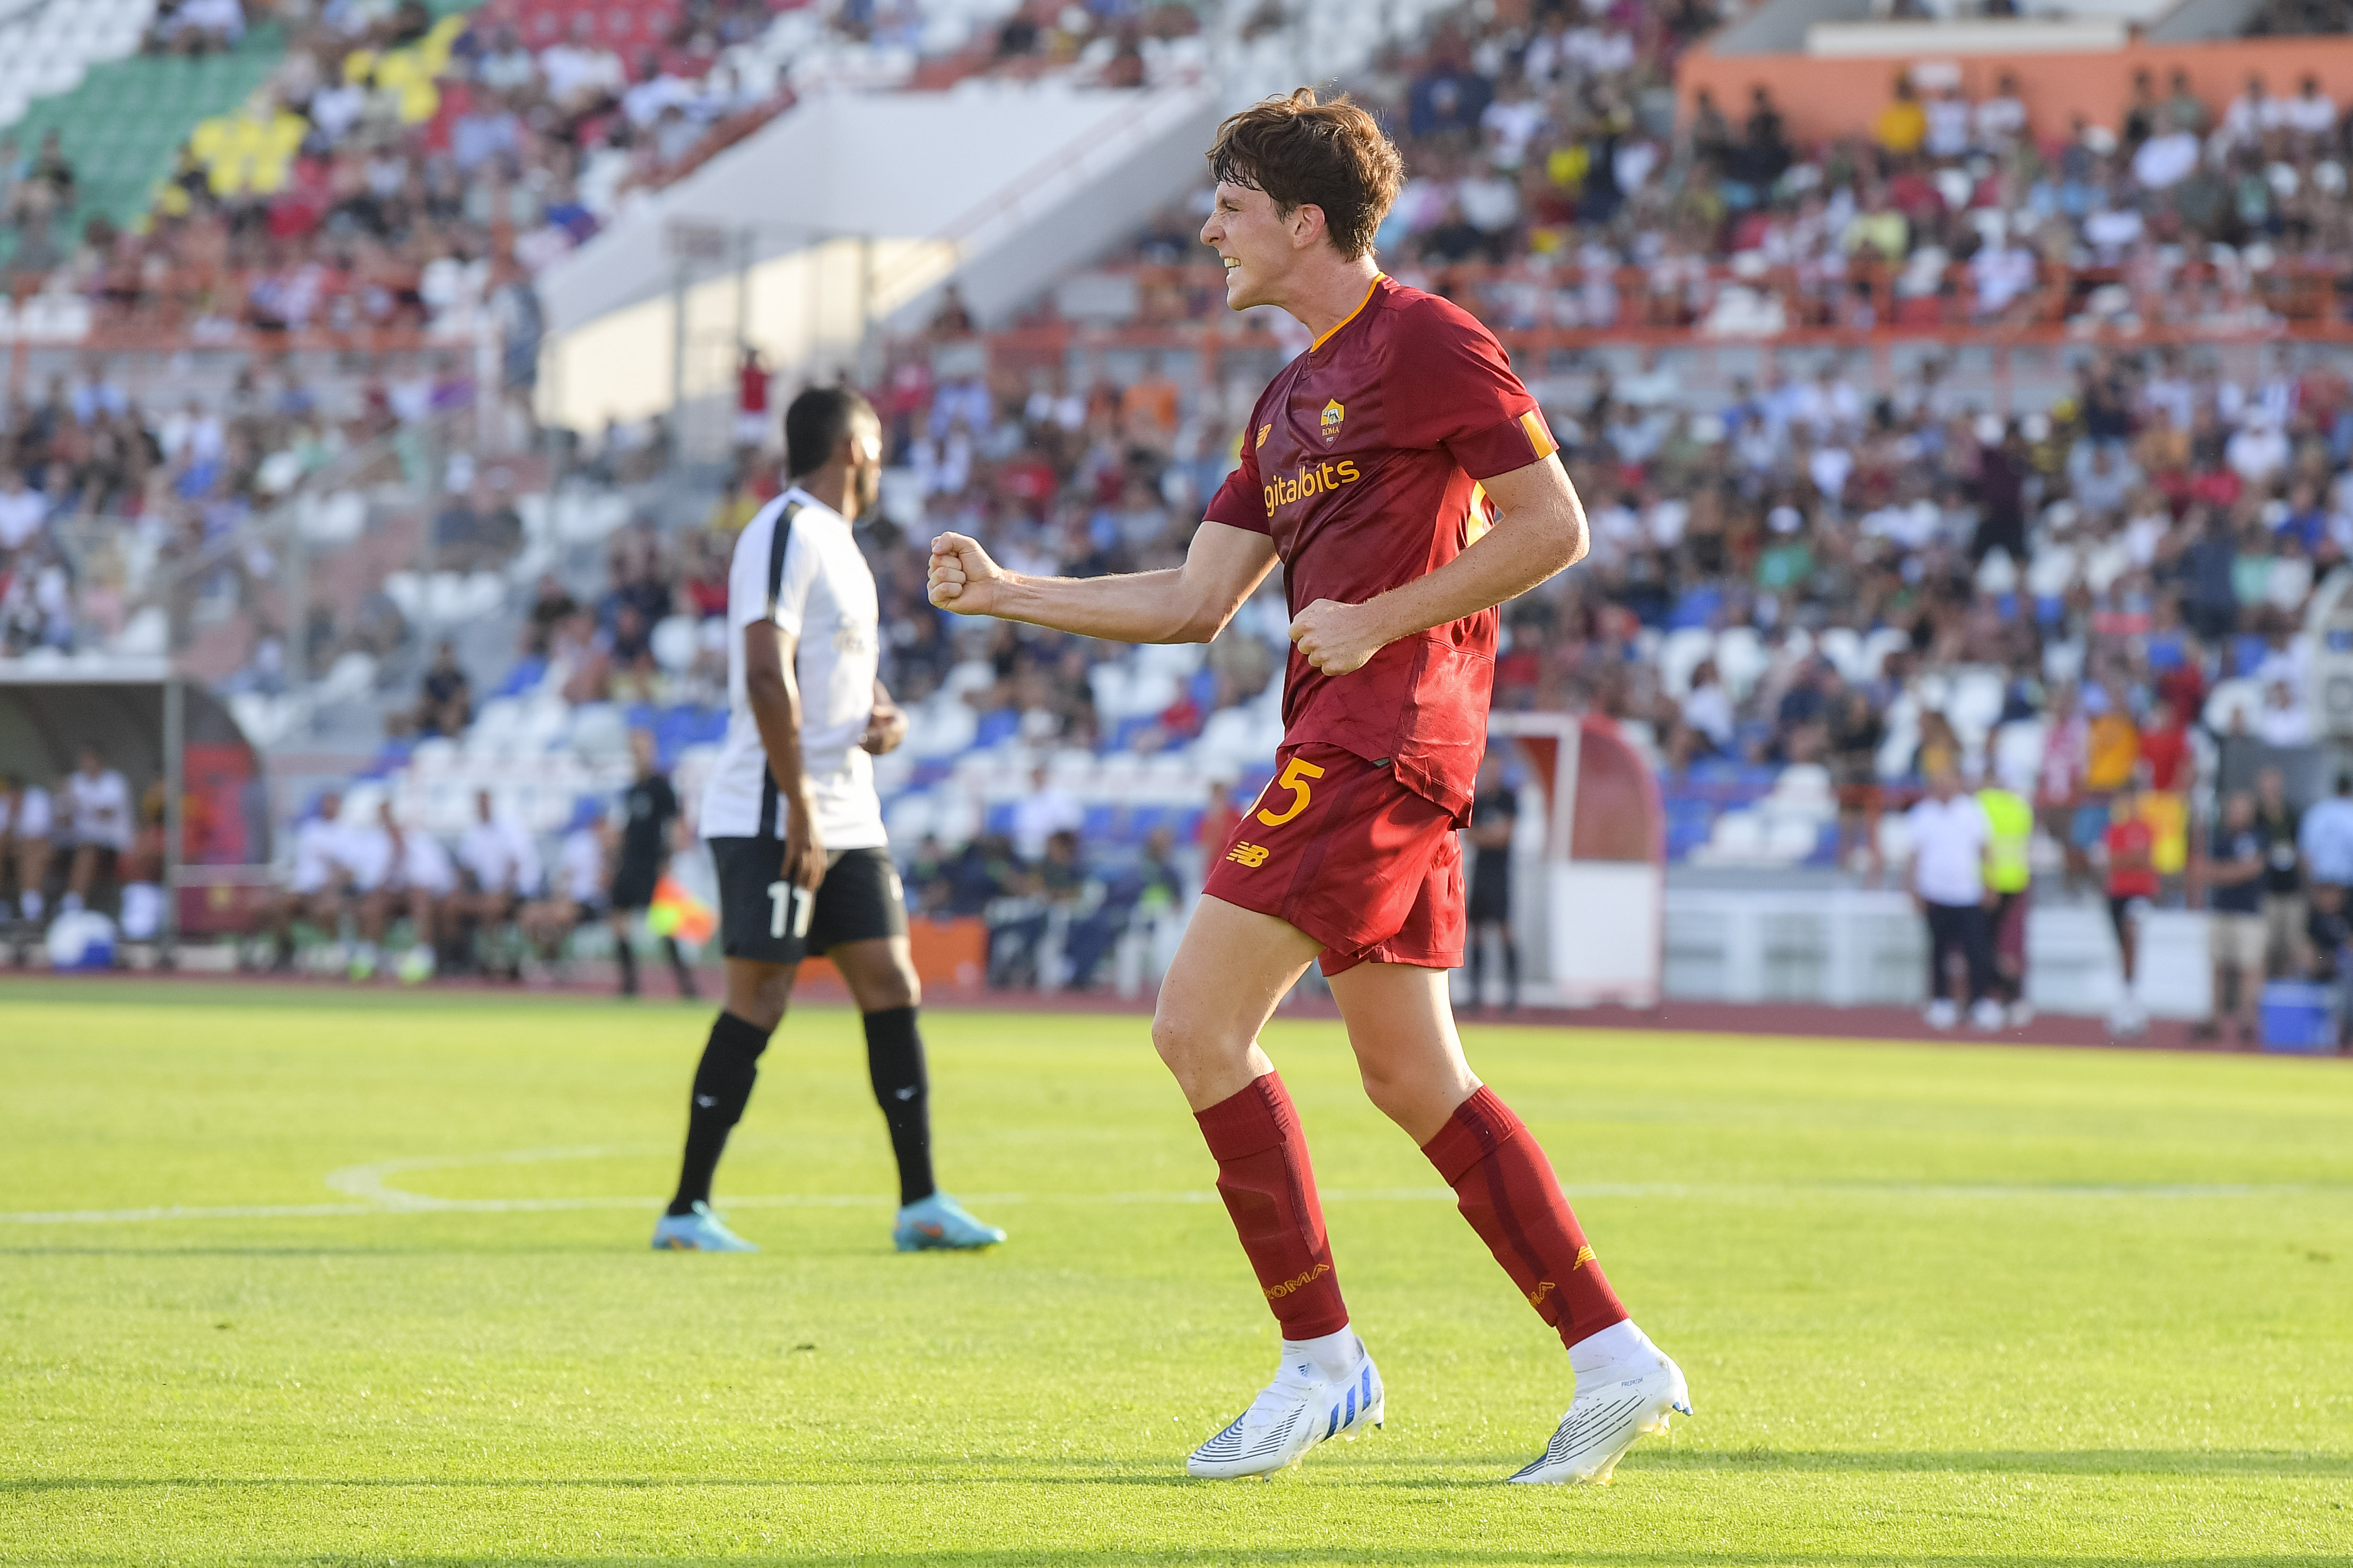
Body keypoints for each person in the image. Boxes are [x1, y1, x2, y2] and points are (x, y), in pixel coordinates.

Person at [926, 90, 1687, 1486]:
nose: (1208, 227)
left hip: (1377, 740)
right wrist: (1012, 594)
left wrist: (1384, 617)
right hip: (1353, 740)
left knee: (1196, 1026)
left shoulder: (1428, 338)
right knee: (1411, 1074)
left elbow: (1552, 526)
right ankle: (1612, 1354)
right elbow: (1193, 599)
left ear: (1302, 221)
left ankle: (1320, 1360)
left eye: (1229, 205)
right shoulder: (1279, 401)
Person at [657, 386, 1004, 1257]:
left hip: (848, 807)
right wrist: (800, 808)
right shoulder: (786, 528)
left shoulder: (843, 546)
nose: (883, 460)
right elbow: (766, 676)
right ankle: (686, 1209)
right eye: (878, 443)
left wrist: (885, 716)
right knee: (761, 996)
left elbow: (833, 677)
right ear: (853, 447)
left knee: (892, 981)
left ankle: (920, 1201)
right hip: (777, 810)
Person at [1905, 766, 1999, 1032]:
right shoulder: (1923, 813)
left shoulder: (1972, 811)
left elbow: (1985, 850)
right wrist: (1912, 889)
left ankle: (1980, 1002)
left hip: (1967, 893)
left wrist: (1990, 884)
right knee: (1938, 951)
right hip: (1935, 893)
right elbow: (1913, 856)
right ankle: (1941, 1002)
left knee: (1977, 951)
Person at [609, 728, 697, 999]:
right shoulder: (630, 791)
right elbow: (625, 830)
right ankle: (629, 984)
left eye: (642, 748)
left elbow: (672, 828)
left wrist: (667, 861)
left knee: (665, 926)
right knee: (619, 920)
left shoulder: (661, 789)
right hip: (630, 864)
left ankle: (685, 986)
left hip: (652, 865)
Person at [2201, 790, 2268, 1046]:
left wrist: (2226, 873)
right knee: (2218, 968)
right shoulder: (2219, 837)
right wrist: (2237, 871)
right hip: (2222, 909)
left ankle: (2247, 1022)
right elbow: (2207, 871)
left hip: (2249, 912)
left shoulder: (2259, 836)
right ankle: (2214, 1020)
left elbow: (2255, 868)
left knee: (2249, 969)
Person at [453, 789, 542, 977]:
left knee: (492, 907)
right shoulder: (474, 834)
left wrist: (501, 891)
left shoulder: (509, 827)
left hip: (518, 892)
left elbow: (515, 866)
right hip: (488, 893)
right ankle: (459, 960)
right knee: (453, 906)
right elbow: (467, 867)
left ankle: (496, 959)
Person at [2101, 777, 2157, 1039]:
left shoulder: (2144, 828)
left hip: (2138, 893)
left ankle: (2131, 997)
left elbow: (2142, 859)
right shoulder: (2113, 829)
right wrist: (2127, 860)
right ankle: (2128, 997)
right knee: (2122, 944)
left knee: (2131, 936)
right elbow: (2113, 862)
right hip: (2118, 892)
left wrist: (2124, 860)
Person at [1976, 774, 2034, 1026]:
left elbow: (1979, 846)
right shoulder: (2021, 807)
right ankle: (2014, 998)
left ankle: (1996, 998)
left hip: (1988, 884)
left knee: (1986, 946)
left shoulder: (1980, 805)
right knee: (2009, 947)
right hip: (2017, 881)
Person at [1463, 753, 1518, 1011]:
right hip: (1482, 873)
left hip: (1501, 874)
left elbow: (1505, 837)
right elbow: (1471, 837)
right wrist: (1490, 835)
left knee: (1505, 928)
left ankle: (1512, 992)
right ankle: (1476, 991)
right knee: (1476, 931)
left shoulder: (1508, 799)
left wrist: (1486, 836)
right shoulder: (1480, 801)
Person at [61, 746, 134, 916]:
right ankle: (34, 906)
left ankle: (73, 906)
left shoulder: (115, 781)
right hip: (78, 841)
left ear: (99, 761)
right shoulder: (75, 781)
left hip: (113, 843)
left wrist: (76, 801)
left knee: (88, 850)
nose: (87, 764)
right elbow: (63, 818)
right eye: (84, 760)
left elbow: (106, 813)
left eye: (91, 760)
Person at [2252, 766, 2306, 980]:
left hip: (2290, 888)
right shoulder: (2256, 815)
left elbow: (2301, 848)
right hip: (2267, 889)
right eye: (2267, 782)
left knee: (2291, 944)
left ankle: (2288, 987)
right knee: (2267, 945)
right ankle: (2266, 988)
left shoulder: (2291, 813)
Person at [0, 772, 55, 924]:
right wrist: (11, 818)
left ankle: (31, 913)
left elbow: (36, 839)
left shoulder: (37, 798)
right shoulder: (4, 802)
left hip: (40, 849)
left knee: (33, 853)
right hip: (12, 852)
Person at [2296, 773, 2353, 900]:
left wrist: (2309, 887)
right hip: (2346, 885)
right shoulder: (2350, 812)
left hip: (2320, 883)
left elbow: (2305, 853)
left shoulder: (2316, 812)